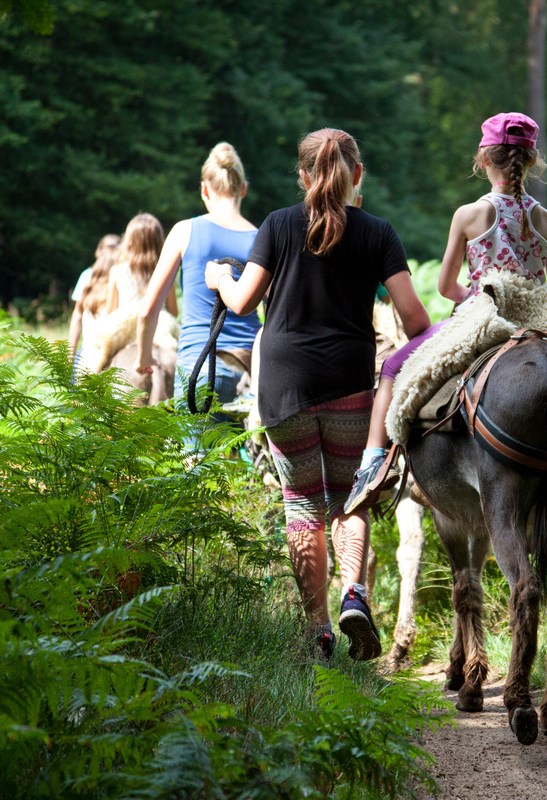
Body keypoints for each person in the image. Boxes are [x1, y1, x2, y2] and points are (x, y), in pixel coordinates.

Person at [204, 128, 430, 660]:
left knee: (302, 504)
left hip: (283, 385)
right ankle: (356, 594)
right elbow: (416, 319)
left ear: (303, 177)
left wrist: (218, 278)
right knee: (351, 497)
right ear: (357, 177)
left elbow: (241, 303)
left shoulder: (279, 224)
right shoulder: (379, 233)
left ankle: (320, 630)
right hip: (350, 382)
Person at [345, 111, 547, 515]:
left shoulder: (470, 215)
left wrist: (470, 296)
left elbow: (444, 286)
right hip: (536, 323)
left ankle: (372, 465)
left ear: (483, 160)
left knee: (394, 369)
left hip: (481, 320)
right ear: (530, 163)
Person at [136, 143, 262, 424]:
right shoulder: (262, 239)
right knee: (250, 467)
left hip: (199, 368)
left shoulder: (184, 231)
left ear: (204, 189)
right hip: (251, 373)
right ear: (243, 189)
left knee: (197, 465)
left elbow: (148, 310)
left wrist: (143, 357)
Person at [68, 234, 120, 371]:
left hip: (85, 355)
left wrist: (70, 355)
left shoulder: (88, 285)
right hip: (110, 356)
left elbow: (77, 315)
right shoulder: (121, 282)